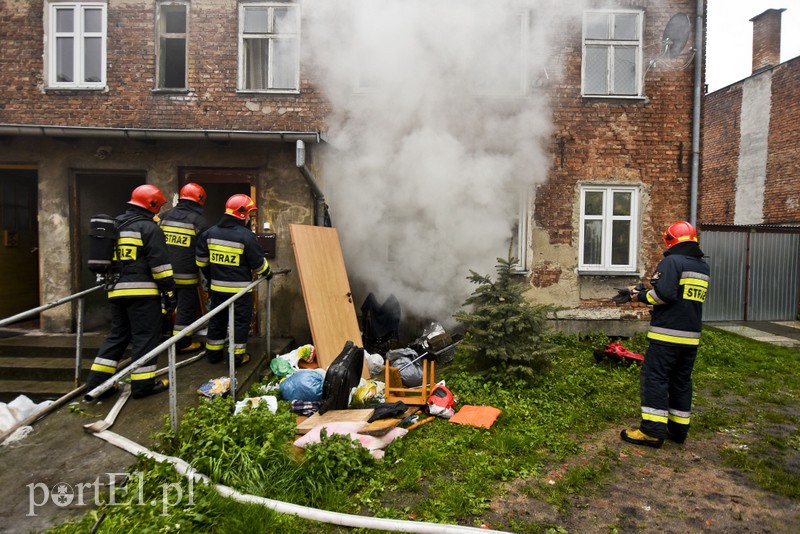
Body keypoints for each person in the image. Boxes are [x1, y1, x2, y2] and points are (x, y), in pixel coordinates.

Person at [620, 221, 710, 448]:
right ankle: (678, 430)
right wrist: (646, 291)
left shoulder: (672, 261)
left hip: (667, 336)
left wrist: (640, 296)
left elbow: (664, 295)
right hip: (690, 337)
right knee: (681, 381)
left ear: (670, 240)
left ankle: (651, 431)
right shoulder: (701, 267)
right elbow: (679, 295)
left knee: (655, 379)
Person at [85, 184, 175, 399]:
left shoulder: (116, 225)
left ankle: (98, 384)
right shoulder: (149, 228)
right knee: (145, 337)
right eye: (158, 206)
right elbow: (160, 266)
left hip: (116, 292)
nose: (158, 210)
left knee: (118, 336)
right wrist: (169, 292)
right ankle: (143, 386)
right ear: (151, 204)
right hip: (143, 295)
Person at [195, 194, 272, 366]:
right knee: (240, 322)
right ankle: (236, 357)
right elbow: (259, 265)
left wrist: (211, 277)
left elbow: (201, 261)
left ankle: (213, 354)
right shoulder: (246, 236)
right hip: (240, 292)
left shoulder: (209, 233)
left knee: (217, 320)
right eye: (250, 214)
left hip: (217, 289)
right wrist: (268, 273)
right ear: (242, 214)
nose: (250, 218)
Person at [159, 182, 209, 353]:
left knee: (164, 306)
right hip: (186, 277)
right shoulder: (199, 222)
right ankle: (182, 344)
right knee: (185, 310)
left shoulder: (163, 217)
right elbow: (203, 253)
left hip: (162, 275)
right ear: (199, 201)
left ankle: (158, 338)